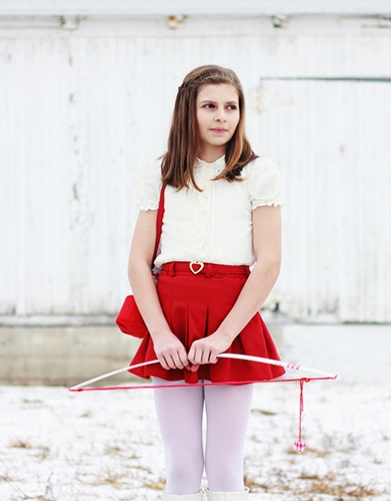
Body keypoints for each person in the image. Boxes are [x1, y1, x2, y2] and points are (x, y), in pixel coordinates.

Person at [127, 65, 285, 501]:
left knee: (224, 463)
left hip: (231, 319)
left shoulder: (257, 173)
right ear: (188, 111)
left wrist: (223, 335)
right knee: (181, 464)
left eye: (231, 106)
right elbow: (139, 263)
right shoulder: (159, 173)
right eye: (210, 106)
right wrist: (160, 334)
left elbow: (268, 263)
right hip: (172, 318)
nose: (222, 116)